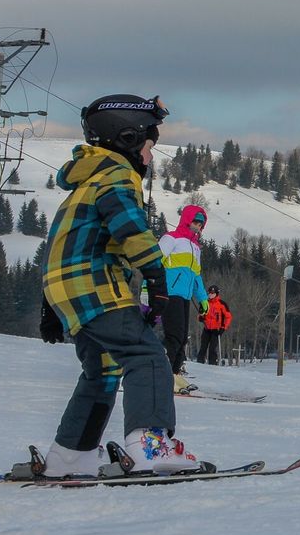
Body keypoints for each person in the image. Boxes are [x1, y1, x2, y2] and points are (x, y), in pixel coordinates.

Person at [38, 94, 202, 476]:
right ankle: (150, 445)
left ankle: (70, 455)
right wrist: (157, 277)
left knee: (103, 371)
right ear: (127, 139)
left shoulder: (86, 181)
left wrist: (49, 304)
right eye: (147, 147)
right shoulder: (116, 175)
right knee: (147, 356)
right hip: (98, 288)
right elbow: (131, 228)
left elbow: (59, 244)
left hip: (69, 291)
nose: (150, 157)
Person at [155, 204, 209, 394]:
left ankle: (175, 372)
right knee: (174, 335)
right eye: (195, 222)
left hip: (184, 296)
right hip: (169, 293)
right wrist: (150, 287)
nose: (198, 226)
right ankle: (164, 375)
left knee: (182, 336)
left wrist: (203, 299)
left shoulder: (195, 248)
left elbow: (196, 276)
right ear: (187, 220)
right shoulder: (171, 239)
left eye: (201, 224)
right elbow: (155, 262)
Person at [196, 285, 230, 366]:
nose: (210, 295)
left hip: (216, 330)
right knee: (203, 347)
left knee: (212, 348)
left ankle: (212, 364)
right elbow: (200, 314)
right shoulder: (205, 303)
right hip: (207, 328)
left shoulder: (222, 304)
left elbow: (228, 317)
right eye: (209, 293)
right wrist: (200, 317)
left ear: (216, 294)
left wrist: (223, 328)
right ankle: (199, 363)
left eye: (212, 293)